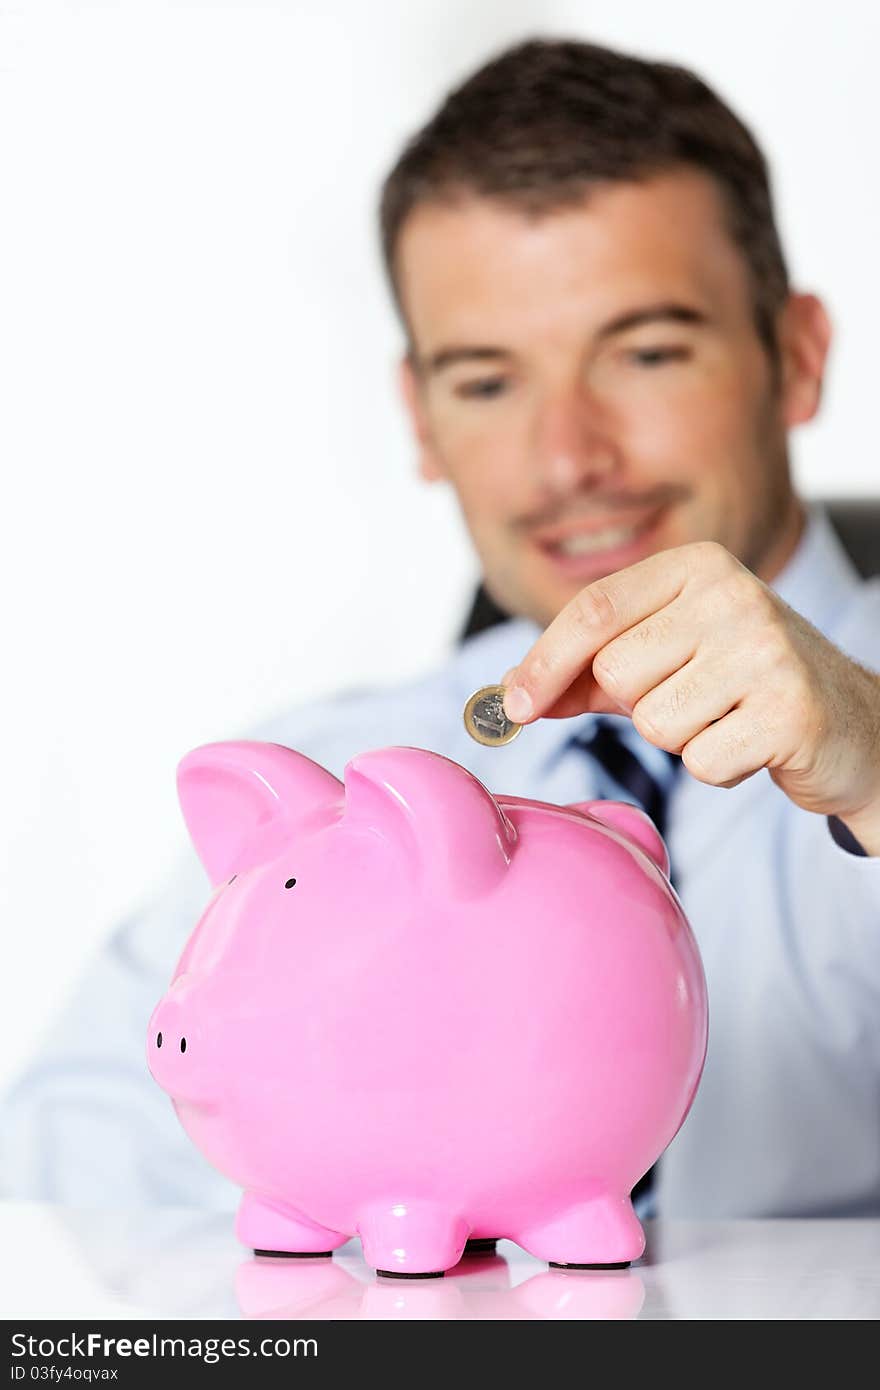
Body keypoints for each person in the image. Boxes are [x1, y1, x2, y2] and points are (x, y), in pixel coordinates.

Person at [2, 37, 879, 1221]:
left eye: (649, 352)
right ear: (418, 418)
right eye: (485, 381)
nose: (572, 459)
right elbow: (64, 1189)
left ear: (797, 357)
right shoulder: (321, 785)